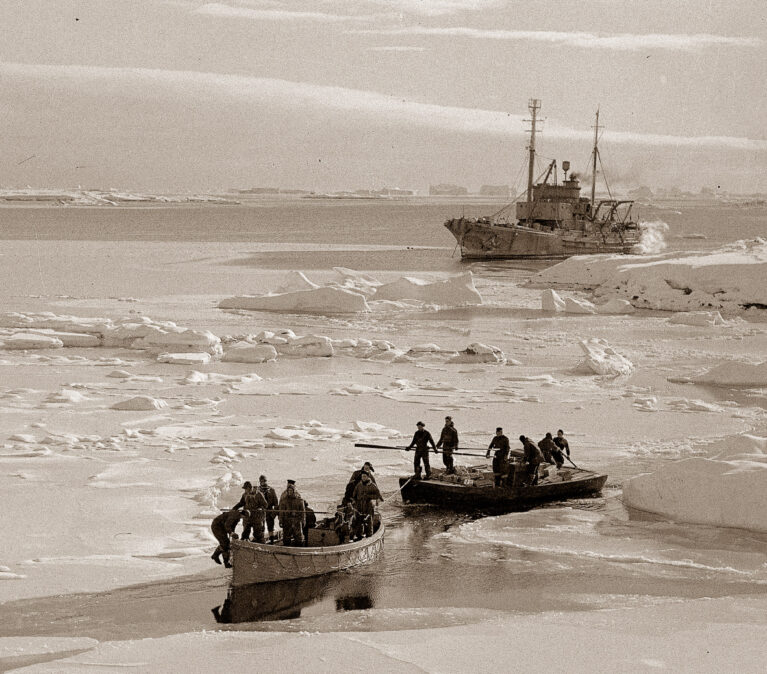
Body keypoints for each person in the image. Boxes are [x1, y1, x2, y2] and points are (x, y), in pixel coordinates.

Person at [352, 472, 383, 539]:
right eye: (362, 476)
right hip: (359, 505)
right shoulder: (359, 485)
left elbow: (378, 495)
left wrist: (369, 496)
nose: (363, 478)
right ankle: (359, 535)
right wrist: (355, 502)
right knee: (359, 519)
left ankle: (369, 535)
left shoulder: (372, 486)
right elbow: (354, 494)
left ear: (368, 477)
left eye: (365, 476)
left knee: (369, 519)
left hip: (368, 505)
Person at [278, 480, 305, 546]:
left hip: (296, 521)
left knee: (298, 538)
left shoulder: (299, 500)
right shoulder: (284, 500)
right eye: (288, 490)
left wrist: (303, 520)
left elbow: (303, 512)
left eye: (291, 490)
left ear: (294, 491)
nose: (290, 492)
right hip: (287, 521)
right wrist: (280, 521)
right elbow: (281, 512)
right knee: (286, 538)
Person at [257, 475, 279, 543]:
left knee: (270, 527)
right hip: (261, 511)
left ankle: (272, 540)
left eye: (264, 481)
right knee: (261, 527)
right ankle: (262, 541)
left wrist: (274, 513)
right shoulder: (257, 490)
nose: (263, 482)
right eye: (262, 481)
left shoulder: (271, 490)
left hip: (269, 511)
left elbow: (276, 503)